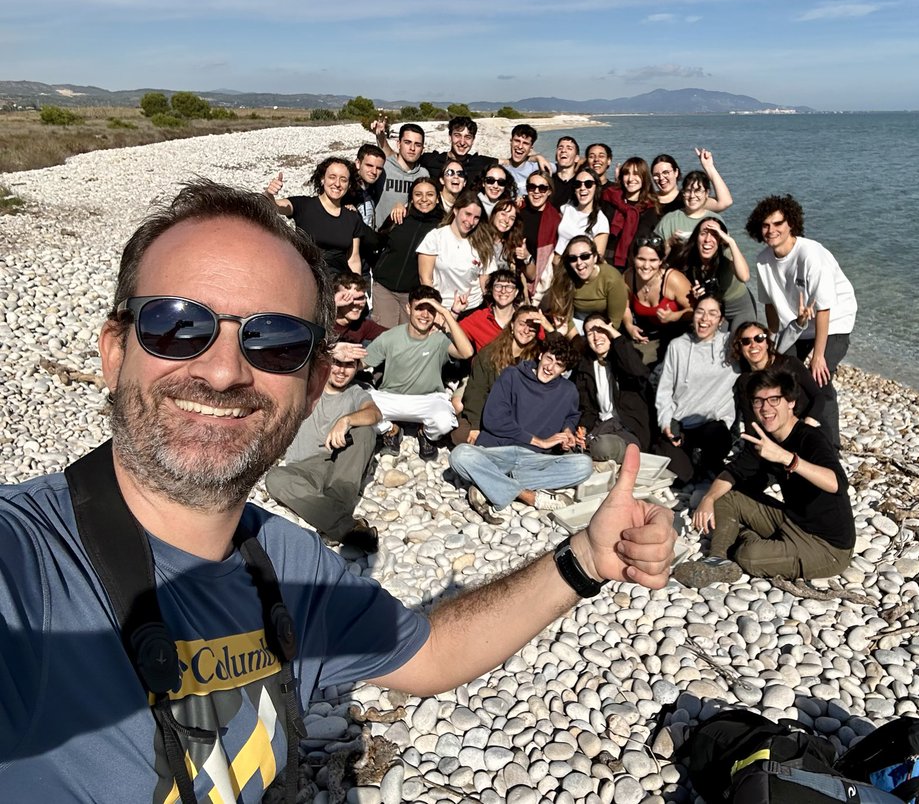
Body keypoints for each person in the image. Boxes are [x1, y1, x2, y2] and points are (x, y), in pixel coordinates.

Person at [0, 180, 674, 801]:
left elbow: (429, 652)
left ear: (314, 384)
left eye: (275, 341)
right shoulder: (27, 565)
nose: (224, 370)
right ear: (114, 351)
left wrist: (582, 560)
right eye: (178, 325)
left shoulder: (287, 564)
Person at [678, 368, 854, 587]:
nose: (765, 408)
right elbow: (732, 472)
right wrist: (708, 499)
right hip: (792, 520)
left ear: (791, 402)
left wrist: (785, 457)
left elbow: (837, 483)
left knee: (748, 556)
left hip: (827, 547)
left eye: (774, 400)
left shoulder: (810, 438)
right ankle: (717, 560)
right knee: (725, 496)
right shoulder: (765, 438)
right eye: (758, 401)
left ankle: (742, 536)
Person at [449, 334, 594, 524]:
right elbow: (494, 420)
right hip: (498, 452)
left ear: (564, 370)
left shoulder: (568, 391)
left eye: (558, 365)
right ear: (540, 355)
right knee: (459, 455)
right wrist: (539, 441)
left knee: (584, 465)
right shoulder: (512, 375)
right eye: (549, 358)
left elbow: (571, 416)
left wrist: (567, 432)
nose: (550, 367)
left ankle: (491, 483)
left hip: (534, 460)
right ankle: (527, 496)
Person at [749, 194, 857, 444]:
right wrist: (772, 343)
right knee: (780, 374)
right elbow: (769, 306)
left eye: (778, 224)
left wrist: (818, 356)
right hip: (797, 326)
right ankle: (789, 434)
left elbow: (824, 309)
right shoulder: (763, 261)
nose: (771, 230)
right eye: (765, 225)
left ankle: (831, 445)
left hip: (834, 322)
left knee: (818, 378)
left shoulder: (810, 254)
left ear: (791, 224)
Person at [265, 352, 382, 553]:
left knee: (365, 431)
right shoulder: (307, 385)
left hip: (340, 464)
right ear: (326, 362)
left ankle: (332, 523)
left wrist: (346, 420)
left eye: (349, 365)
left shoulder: (356, 393)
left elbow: (375, 413)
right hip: (304, 470)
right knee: (275, 478)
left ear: (357, 368)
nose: (341, 371)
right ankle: (348, 527)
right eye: (337, 362)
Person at [364, 285, 473, 459]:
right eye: (419, 308)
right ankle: (391, 429)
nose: (425, 315)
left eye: (431, 310)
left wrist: (446, 313)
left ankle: (425, 434)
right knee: (358, 409)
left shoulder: (439, 339)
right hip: (391, 397)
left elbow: (467, 352)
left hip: (428, 399)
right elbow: (363, 362)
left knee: (445, 422)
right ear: (408, 308)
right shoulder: (390, 337)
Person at [653, 295, 737, 486]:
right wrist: (666, 423)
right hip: (681, 424)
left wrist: (797, 325)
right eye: (700, 312)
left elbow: (764, 348)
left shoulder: (730, 345)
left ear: (721, 320)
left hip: (713, 425)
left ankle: (708, 462)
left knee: (718, 437)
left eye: (712, 314)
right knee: (682, 478)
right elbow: (665, 390)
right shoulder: (677, 346)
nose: (705, 318)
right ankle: (693, 462)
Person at [451, 304, 544, 446]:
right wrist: (475, 425)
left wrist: (548, 327)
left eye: (532, 327)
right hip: (490, 409)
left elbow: (562, 355)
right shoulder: (490, 353)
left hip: (519, 414)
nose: (526, 330)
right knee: (461, 435)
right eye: (522, 324)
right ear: (512, 325)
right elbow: (477, 391)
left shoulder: (538, 356)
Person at [730, 320, 833, 446]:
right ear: (740, 348)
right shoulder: (745, 381)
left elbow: (818, 396)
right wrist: (754, 447)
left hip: (810, 427)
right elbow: (751, 424)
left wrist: (808, 423)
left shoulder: (789, 364)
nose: (753, 345)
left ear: (767, 343)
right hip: (777, 438)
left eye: (759, 338)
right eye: (746, 341)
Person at [265, 158, 365, 274]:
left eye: (343, 180)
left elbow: (353, 259)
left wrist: (357, 283)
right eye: (332, 177)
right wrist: (269, 194)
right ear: (322, 179)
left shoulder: (352, 217)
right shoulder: (303, 205)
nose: (337, 184)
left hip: (339, 282)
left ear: (349, 184)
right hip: (306, 278)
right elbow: (273, 206)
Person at [575, 314, 653, 464]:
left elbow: (638, 372)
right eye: (590, 333)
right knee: (572, 446)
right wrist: (583, 428)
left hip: (626, 429)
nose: (596, 337)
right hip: (600, 426)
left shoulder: (625, 357)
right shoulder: (585, 367)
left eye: (600, 330)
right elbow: (587, 408)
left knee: (602, 447)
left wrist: (616, 336)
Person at [372, 176, 443, 328]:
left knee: (408, 336)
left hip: (413, 294)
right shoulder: (399, 216)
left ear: (438, 198)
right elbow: (377, 240)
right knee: (383, 334)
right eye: (418, 194)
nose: (424, 199)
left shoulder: (442, 226)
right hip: (385, 288)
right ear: (411, 198)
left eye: (430, 194)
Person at [674, 216, 756, 332]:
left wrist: (731, 242)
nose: (708, 239)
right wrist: (697, 296)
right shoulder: (690, 258)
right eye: (703, 234)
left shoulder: (727, 254)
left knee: (739, 339)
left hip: (741, 308)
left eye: (715, 234)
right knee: (715, 342)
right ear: (696, 237)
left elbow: (744, 276)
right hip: (715, 310)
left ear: (721, 239)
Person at [623, 234, 693, 365]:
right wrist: (629, 326)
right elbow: (625, 306)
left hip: (677, 334)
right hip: (649, 335)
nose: (646, 266)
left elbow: (697, 310)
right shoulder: (629, 277)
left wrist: (675, 316)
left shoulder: (673, 279)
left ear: (661, 261)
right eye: (641, 259)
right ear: (633, 259)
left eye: (653, 260)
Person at [417, 197, 494, 313]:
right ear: (456, 210)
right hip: (442, 306)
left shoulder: (483, 242)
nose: (471, 221)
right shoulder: (436, 237)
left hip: (473, 307)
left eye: (476, 217)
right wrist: (436, 308)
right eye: (467, 214)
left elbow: (485, 280)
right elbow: (425, 279)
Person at [540, 235, 626, 335]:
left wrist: (598, 338)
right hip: (574, 324)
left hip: (603, 326)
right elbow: (563, 315)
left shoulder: (611, 278)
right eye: (573, 258)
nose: (579, 263)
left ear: (595, 257)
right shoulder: (565, 277)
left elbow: (614, 321)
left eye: (585, 256)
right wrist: (576, 339)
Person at [602, 157, 658, 271]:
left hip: (631, 265)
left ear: (644, 177)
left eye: (636, 174)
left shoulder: (650, 209)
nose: (631, 178)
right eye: (626, 174)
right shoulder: (609, 198)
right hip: (604, 260)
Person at [371, 121, 430, 227]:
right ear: (399, 144)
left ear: (422, 149)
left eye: (417, 145)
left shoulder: (423, 175)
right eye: (407, 142)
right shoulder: (384, 168)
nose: (412, 148)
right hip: (380, 233)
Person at [419, 115, 498, 188]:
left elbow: (503, 162)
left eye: (468, 137)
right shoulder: (432, 160)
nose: (462, 142)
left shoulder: (479, 163)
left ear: (473, 140)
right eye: (457, 135)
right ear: (450, 137)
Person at [520, 169, 562, 305]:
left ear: (549, 191)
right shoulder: (517, 212)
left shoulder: (556, 220)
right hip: (516, 275)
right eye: (532, 187)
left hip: (541, 280)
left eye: (542, 188)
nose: (536, 192)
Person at [652, 148, 732, 215]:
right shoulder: (649, 200)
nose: (661, 178)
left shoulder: (689, 198)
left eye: (665, 172)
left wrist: (709, 167)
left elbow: (725, 202)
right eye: (656, 175)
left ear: (676, 172)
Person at [459, 268, 521, 353]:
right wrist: (455, 311)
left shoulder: (524, 317)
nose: (503, 291)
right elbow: (452, 332)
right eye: (498, 286)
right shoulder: (479, 318)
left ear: (516, 292)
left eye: (509, 287)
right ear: (491, 290)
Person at [656, 170, 717, 253]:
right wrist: (669, 243)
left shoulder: (715, 220)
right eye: (688, 191)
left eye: (697, 191)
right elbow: (653, 254)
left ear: (706, 193)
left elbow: (726, 253)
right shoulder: (669, 220)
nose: (692, 196)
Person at [555, 168, 610, 257]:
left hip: (574, 265)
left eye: (588, 184)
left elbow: (597, 257)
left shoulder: (601, 222)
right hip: (552, 263)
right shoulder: (566, 208)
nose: (582, 188)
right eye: (578, 184)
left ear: (596, 188)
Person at [330, 272, 387, 346]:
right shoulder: (322, 322)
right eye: (348, 298)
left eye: (360, 298)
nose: (355, 304)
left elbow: (393, 335)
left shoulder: (362, 325)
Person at [501, 123, 551, 195]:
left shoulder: (538, 167)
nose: (520, 146)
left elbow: (563, 168)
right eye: (517, 141)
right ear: (511, 142)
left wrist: (538, 157)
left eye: (525, 143)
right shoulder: (501, 169)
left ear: (531, 148)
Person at [349, 143, 387, 231]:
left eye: (379, 168)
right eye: (369, 165)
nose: (374, 172)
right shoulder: (347, 188)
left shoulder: (372, 187)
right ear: (358, 163)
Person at [548, 135, 581, 208]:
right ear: (556, 156)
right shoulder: (547, 179)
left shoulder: (581, 182)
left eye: (569, 148)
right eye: (560, 148)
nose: (563, 150)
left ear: (576, 158)